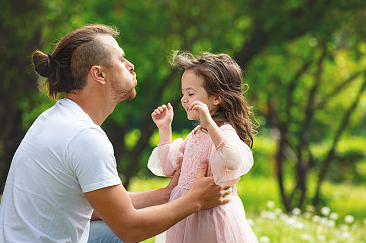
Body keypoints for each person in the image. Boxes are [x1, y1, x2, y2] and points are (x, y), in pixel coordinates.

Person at [0, 24, 233, 243]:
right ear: (99, 75)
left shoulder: (58, 119)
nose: (130, 65)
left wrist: (168, 194)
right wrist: (195, 201)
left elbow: (98, 207)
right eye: (121, 59)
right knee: (119, 233)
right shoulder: (84, 137)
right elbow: (130, 228)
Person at [148, 51, 259, 243]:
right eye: (183, 93)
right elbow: (167, 168)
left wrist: (210, 125)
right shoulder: (194, 135)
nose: (184, 99)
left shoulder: (224, 132)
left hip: (212, 217)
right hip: (184, 214)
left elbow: (233, 160)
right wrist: (165, 128)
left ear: (216, 98)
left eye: (190, 94)